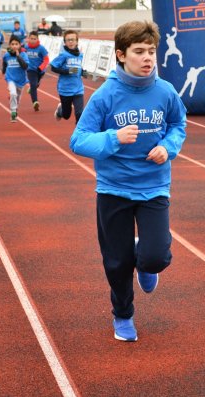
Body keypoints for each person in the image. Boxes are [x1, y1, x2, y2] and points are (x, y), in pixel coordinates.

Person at [69, 21, 186, 342]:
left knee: (157, 256)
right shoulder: (105, 96)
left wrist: (169, 147)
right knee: (117, 263)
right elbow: (78, 140)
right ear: (121, 55)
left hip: (153, 188)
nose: (148, 57)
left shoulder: (165, 91)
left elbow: (178, 124)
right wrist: (113, 138)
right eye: (139, 52)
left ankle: (145, 262)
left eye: (151, 51)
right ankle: (123, 315)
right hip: (113, 190)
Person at [50, 30, 86, 123]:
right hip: (65, 89)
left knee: (80, 114)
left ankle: (79, 136)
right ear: (65, 42)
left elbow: (79, 69)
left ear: (77, 41)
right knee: (66, 115)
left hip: (78, 89)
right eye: (68, 40)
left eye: (73, 40)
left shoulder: (81, 55)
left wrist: (83, 72)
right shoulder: (63, 55)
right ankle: (60, 110)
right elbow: (53, 67)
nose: (71, 42)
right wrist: (67, 71)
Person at [2, 35, 29, 122]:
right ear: (9, 45)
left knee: (17, 98)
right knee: (13, 94)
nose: (14, 46)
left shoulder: (23, 55)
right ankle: (13, 112)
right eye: (12, 44)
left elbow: (25, 66)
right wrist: (3, 71)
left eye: (16, 44)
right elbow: (5, 63)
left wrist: (18, 57)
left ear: (20, 45)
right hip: (10, 79)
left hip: (21, 80)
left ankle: (15, 108)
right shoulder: (7, 55)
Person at [24, 31, 49, 112]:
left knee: (36, 84)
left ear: (37, 39)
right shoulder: (26, 48)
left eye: (35, 39)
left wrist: (41, 67)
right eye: (31, 38)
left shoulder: (41, 48)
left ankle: (32, 88)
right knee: (33, 84)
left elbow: (46, 59)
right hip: (31, 70)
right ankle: (35, 102)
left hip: (40, 70)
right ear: (28, 39)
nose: (33, 40)